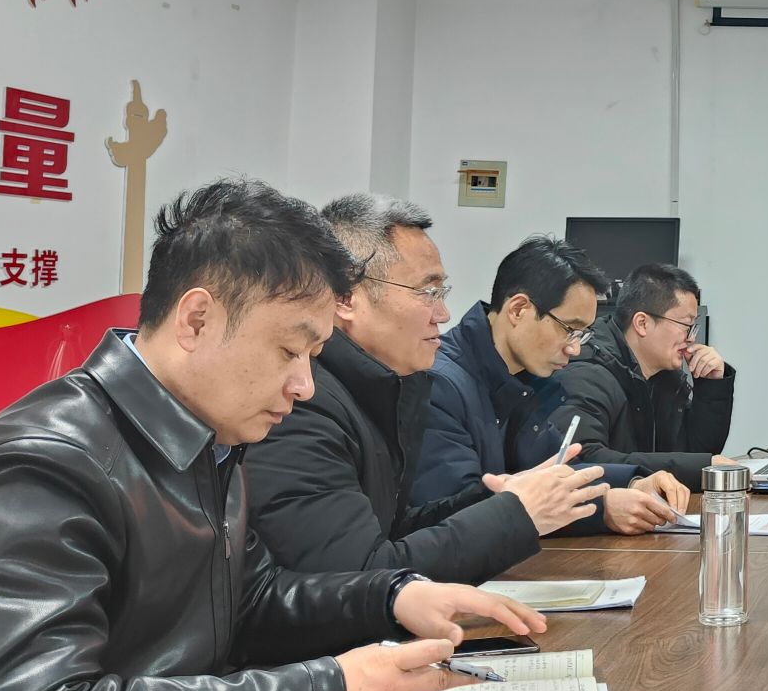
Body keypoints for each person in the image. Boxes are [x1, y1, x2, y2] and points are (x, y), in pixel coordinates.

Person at [0, 179, 548, 691]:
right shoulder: (42, 466)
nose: (305, 386)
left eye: (313, 356)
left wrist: (392, 595)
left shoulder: (210, 440)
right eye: (289, 351)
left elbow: (253, 601)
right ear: (196, 320)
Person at [247, 194, 610, 584]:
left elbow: (395, 531)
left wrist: (501, 500)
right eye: (427, 292)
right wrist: (515, 514)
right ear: (347, 298)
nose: (443, 313)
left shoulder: (386, 388)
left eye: (442, 292)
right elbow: (357, 578)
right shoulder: (305, 404)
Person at [413, 236, 682, 533]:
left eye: (583, 334)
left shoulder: (527, 381)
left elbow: (557, 470)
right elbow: (458, 514)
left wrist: (632, 481)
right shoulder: (439, 385)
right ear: (518, 310)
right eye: (570, 330)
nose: (574, 348)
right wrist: (602, 508)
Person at [555, 263, 735, 492]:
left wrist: (711, 385)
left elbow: (697, 452)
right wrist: (698, 467)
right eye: (685, 325)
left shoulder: (664, 377)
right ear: (642, 323)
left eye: (693, 328)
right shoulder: (587, 373)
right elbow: (584, 459)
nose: (691, 338)